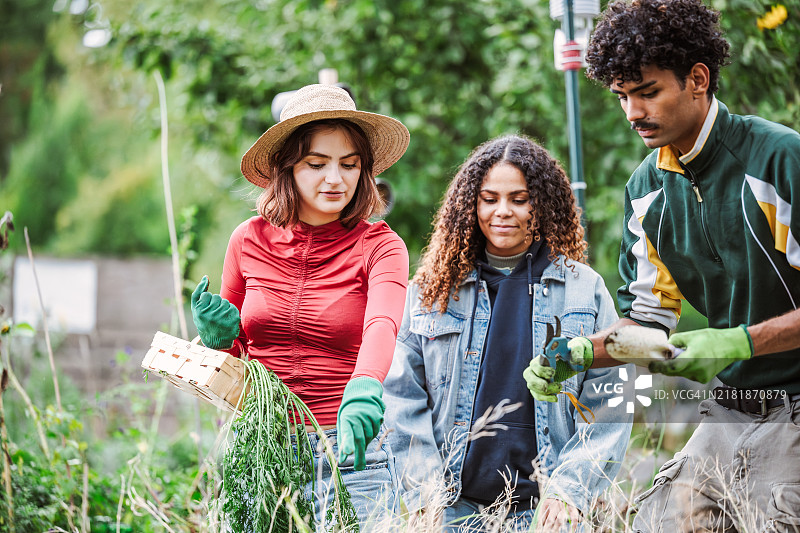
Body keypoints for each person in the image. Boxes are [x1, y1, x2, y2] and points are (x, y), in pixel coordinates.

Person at [524, 1, 800, 531]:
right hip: (730, 408)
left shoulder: (778, 160)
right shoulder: (647, 191)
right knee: (659, 521)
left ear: (697, 79)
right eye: (622, 96)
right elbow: (649, 325)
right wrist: (580, 353)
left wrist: (740, 342)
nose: (632, 112)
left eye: (647, 92)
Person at [383, 135, 633, 532]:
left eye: (519, 199)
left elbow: (612, 397)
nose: (502, 211)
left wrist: (571, 491)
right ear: (471, 204)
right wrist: (423, 490)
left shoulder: (584, 289)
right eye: (489, 199)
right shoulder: (432, 290)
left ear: (542, 204)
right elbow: (399, 393)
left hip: (549, 511)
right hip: (450, 508)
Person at [189, 84, 411, 529]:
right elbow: (234, 363)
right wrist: (217, 340)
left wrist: (365, 386)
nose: (336, 179)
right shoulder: (247, 240)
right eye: (317, 163)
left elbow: (382, 325)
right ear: (286, 168)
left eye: (350, 164)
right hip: (261, 451)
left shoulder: (381, 246)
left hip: (348, 453)